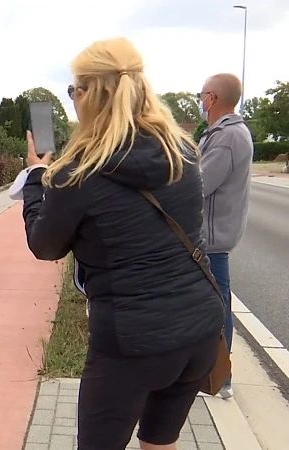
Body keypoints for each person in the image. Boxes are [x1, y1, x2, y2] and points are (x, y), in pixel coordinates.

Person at [21, 37, 224, 450]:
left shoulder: (76, 173)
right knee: (160, 443)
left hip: (132, 341)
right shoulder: (181, 152)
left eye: (74, 90)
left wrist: (34, 180)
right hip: (199, 330)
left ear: (89, 95)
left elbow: (45, 246)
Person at [197, 73, 253, 399]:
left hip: (211, 238)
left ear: (212, 98)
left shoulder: (228, 137)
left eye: (201, 94)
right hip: (209, 235)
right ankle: (211, 375)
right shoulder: (221, 134)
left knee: (216, 308)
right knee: (211, 305)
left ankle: (220, 380)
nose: (201, 101)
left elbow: (202, 184)